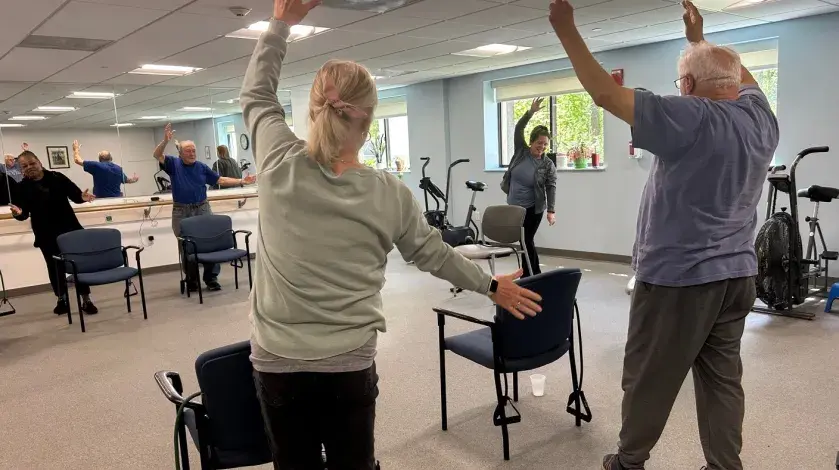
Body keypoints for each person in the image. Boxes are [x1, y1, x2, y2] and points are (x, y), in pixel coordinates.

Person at [241, 1, 543, 468]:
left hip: (278, 362)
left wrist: (280, 23)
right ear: (368, 121)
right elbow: (432, 254)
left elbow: (257, 94)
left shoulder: (277, 160)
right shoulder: (388, 192)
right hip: (348, 363)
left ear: (314, 109)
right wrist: (490, 285)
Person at [548, 1, 779, 469]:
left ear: (689, 87)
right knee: (721, 380)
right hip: (737, 277)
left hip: (678, 280)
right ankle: (723, 465)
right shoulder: (761, 119)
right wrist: (701, 41)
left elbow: (605, 96)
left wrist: (566, 29)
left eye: (682, 83)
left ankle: (628, 463)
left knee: (649, 377)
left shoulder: (690, 117)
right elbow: (739, 76)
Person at [152, 124, 256, 292]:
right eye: (188, 151)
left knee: (211, 242)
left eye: (194, 150)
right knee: (186, 245)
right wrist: (165, 141)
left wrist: (242, 181)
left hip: (202, 208)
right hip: (181, 210)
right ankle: (192, 279)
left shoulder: (201, 167)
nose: (192, 153)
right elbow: (157, 155)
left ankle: (211, 278)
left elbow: (220, 180)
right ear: (180, 153)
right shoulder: (173, 164)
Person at [9, 151, 99, 315]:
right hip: (45, 234)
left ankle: (86, 300)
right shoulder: (22, 187)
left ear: (39, 162)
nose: (29, 167)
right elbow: (23, 213)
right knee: (54, 267)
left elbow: (76, 195)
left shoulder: (57, 177)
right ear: (21, 169)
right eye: (25, 166)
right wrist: (17, 213)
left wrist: (83, 197)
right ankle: (62, 299)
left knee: (78, 265)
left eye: (32, 163)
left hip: (70, 229)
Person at [500, 97, 557, 277]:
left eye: (545, 144)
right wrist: (530, 112)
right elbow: (519, 128)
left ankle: (531, 274)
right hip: (514, 206)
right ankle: (532, 273)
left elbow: (551, 187)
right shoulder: (521, 151)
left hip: (533, 208)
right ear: (531, 141)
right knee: (524, 241)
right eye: (539, 142)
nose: (542, 146)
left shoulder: (547, 165)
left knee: (526, 240)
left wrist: (551, 210)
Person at [72, 140, 138, 198]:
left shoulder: (97, 166)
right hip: (117, 200)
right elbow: (126, 180)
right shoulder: (119, 169)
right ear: (111, 158)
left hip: (102, 201)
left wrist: (76, 149)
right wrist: (134, 179)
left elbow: (77, 160)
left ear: (99, 159)